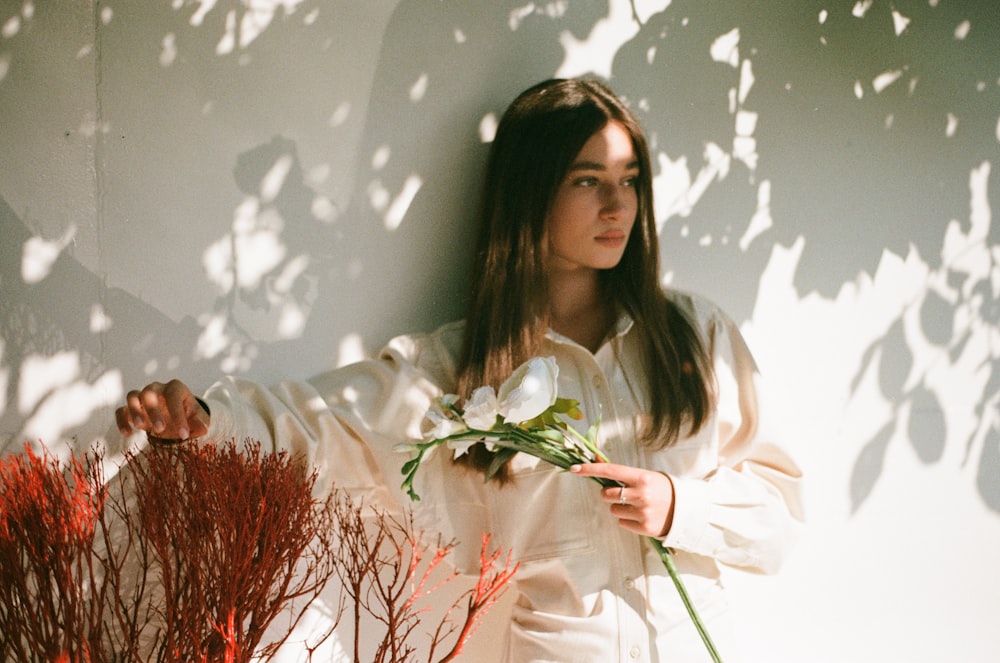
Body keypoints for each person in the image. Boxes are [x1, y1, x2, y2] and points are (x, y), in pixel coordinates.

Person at [116, 78, 803, 662]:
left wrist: (681, 505)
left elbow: (781, 516)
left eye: (629, 180)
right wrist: (209, 419)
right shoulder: (458, 368)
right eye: (587, 181)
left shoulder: (694, 337)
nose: (617, 206)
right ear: (530, 194)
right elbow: (325, 421)